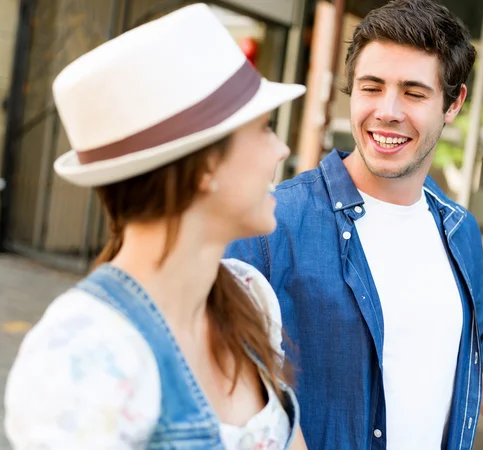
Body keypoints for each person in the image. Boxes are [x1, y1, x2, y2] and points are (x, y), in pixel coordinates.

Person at [226, 0, 483, 449]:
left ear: (453, 103)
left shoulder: (458, 230)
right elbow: (217, 374)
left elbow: (479, 357)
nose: (387, 111)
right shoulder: (272, 223)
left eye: (413, 92)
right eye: (372, 87)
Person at [4, 5, 308, 449]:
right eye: (263, 128)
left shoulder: (249, 294)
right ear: (206, 164)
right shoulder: (80, 357)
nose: (280, 149)